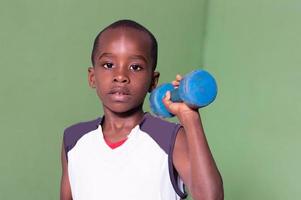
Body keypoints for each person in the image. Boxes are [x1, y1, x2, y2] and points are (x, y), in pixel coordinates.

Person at [60, 19, 223, 200]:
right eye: (108, 65)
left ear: (153, 81)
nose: (120, 76)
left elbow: (211, 198)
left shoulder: (170, 138)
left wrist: (190, 118)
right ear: (92, 77)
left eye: (135, 67)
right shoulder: (74, 139)